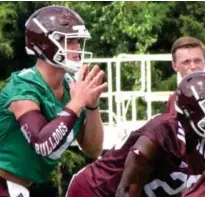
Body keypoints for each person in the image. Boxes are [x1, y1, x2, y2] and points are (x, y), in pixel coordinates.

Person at [0, 5, 107, 197]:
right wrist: (77, 103)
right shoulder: (24, 85)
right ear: (48, 45)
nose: (78, 49)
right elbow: (42, 144)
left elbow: (93, 150)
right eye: (71, 42)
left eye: (78, 42)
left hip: (18, 189)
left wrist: (92, 106)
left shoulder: (71, 87)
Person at [66, 71, 205, 197]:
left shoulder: (197, 138)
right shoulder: (161, 134)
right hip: (95, 191)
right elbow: (126, 191)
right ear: (189, 110)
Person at [166, 36, 205, 114]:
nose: (193, 67)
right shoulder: (174, 100)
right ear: (174, 66)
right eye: (186, 62)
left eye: (197, 61)